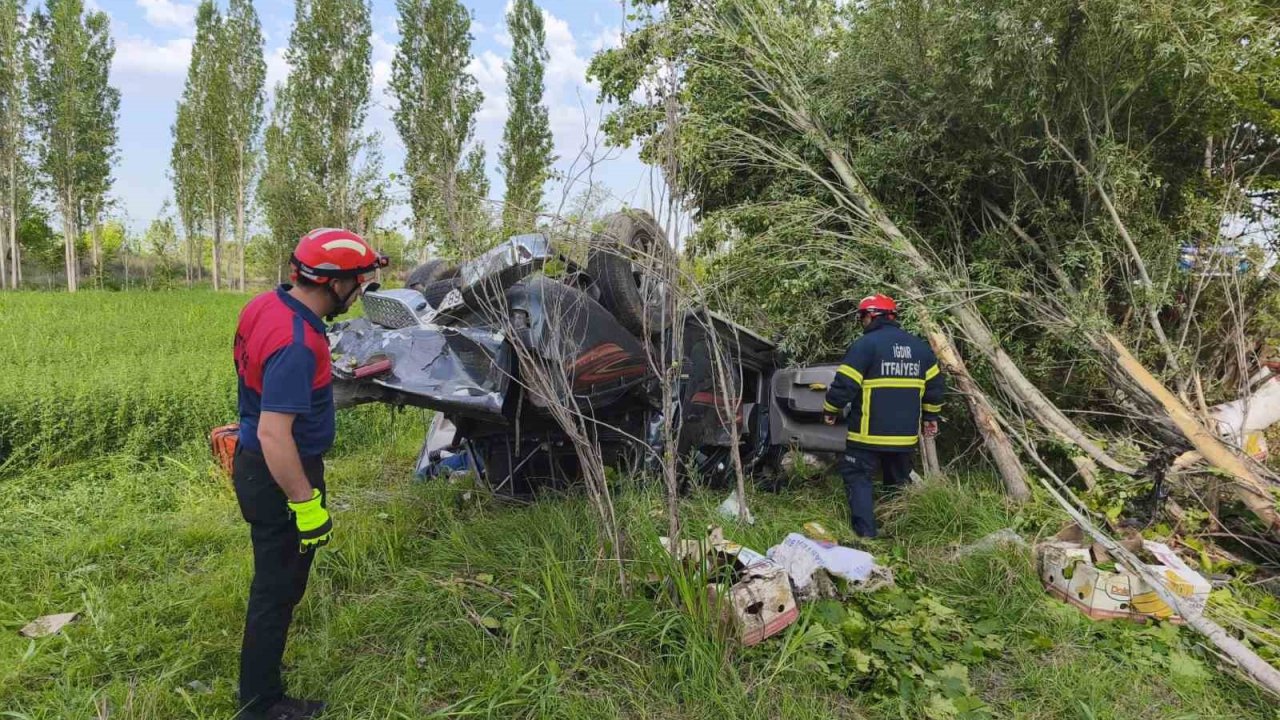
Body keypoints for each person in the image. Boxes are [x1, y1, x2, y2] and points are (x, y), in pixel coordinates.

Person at [231, 228, 386, 720]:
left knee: (278, 583)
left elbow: (264, 377)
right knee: (276, 590)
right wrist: (306, 504)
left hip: (257, 460)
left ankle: (262, 687)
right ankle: (260, 703)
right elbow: (278, 436)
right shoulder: (298, 342)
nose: (361, 290)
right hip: (279, 471)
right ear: (335, 283)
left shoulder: (267, 306)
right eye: (358, 281)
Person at [822, 294, 945, 538]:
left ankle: (866, 537)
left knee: (858, 478)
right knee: (897, 482)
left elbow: (844, 384)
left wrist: (831, 409)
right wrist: (930, 418)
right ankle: (899, 533)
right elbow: (935, 389)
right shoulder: (920, 349)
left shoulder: (865, 345)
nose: (862, 322)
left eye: (862, 318)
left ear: (870, 317)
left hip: (867, 435)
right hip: (904, 437)